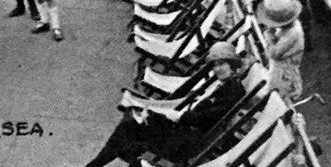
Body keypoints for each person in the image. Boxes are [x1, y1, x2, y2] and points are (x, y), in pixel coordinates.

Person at [82, 41, 246, 167]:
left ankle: (127, 162)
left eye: (222, 64)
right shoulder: (222, 83)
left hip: (185, 140)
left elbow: (207, 120)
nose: (217, 69)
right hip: (181, 128)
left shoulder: (234, 90)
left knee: (128, 133)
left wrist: (179, 115)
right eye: (215, 65)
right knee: (132, 117)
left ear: (232, 64)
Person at [258, 0, 305, 103]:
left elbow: (273, 53)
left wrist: (269, 36)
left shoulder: (292, 34)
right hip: (281, 70)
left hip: (285, 76)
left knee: (277, 101)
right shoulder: (288, 27)